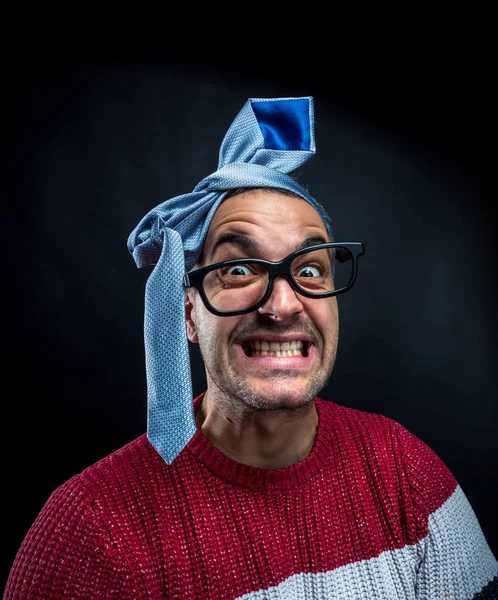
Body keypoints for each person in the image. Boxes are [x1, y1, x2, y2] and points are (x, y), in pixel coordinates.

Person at [4, 96, 497, 600]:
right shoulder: (89, 534)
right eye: (239, 269)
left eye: (309, 270)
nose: (283, 305)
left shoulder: (405, 472)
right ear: (188, 312)